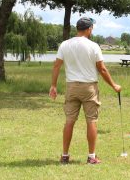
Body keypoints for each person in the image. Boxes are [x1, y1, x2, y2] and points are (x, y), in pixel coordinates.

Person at [49, 17, 121, 164]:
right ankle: (91, 157)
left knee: (69, 121)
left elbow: (56, 66)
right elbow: (102, 69)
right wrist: (114, 85)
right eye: (92, 28)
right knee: (91, 121)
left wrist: (54, 86)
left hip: (72, 87)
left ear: (77, 29)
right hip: (89, 88)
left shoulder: (64, 44)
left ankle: (64, 156)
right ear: (89, 29)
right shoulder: (93, 46)